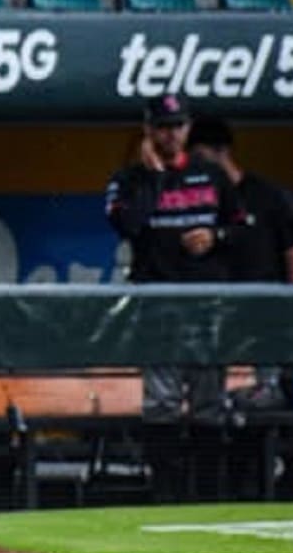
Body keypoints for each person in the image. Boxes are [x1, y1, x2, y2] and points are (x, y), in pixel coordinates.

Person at [103, 95, 241, 424]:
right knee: (161, 405)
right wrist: (155, 177)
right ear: (148, 130)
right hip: (156, 302)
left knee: (209, 405)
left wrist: (215, 236)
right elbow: (127, 226)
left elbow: (243, 228)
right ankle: (165, 477)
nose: (171, 135)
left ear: (188, 127)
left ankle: (207, 477)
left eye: (178, 126)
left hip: (206, 303)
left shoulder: (211, 174)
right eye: (163, 127)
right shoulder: (128, 180)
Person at [185, 114, 293, 410]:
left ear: (222, 152)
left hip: (267, 315)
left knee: (268, 398)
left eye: (201, 156)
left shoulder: (269, 196)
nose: (196, 165)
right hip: (218, 319)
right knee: (211, 405)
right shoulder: (199, 200)